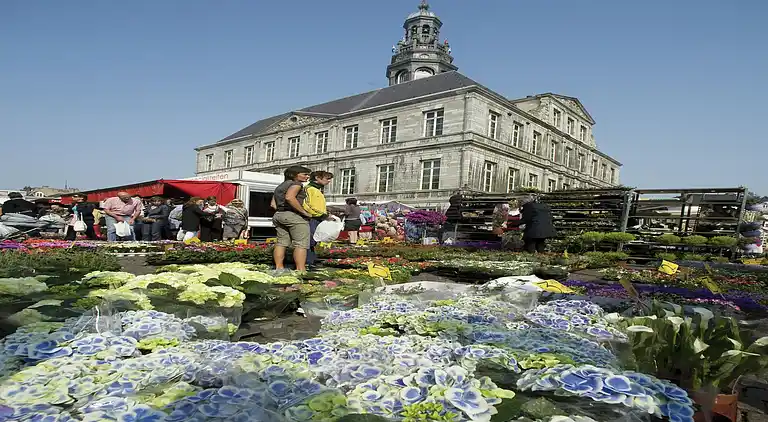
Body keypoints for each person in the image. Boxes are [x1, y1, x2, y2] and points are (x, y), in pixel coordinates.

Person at [271, 165, 313, 272]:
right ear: (294, 175)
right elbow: (290, 197)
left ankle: (279, 268)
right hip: (293, 215)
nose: (307, 176)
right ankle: (300, 270)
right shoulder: (296, 184)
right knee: (301, 243)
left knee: (281, 242)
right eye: (304, 174)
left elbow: (273, 205)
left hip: (279, 214)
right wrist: (304, 212)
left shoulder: (280, 186)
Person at [303, 171, 334, 267]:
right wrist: (322, 215)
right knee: (309, 241)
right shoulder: (309, 189)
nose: (329, 181)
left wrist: (326, 213)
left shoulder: (318, 190)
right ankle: (307, 262)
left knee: (314, 240)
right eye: (327, 178)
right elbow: (306, 205)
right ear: (317, 178)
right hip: (312, 218)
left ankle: (311, 260)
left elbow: (318, 205)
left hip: (318, 218)